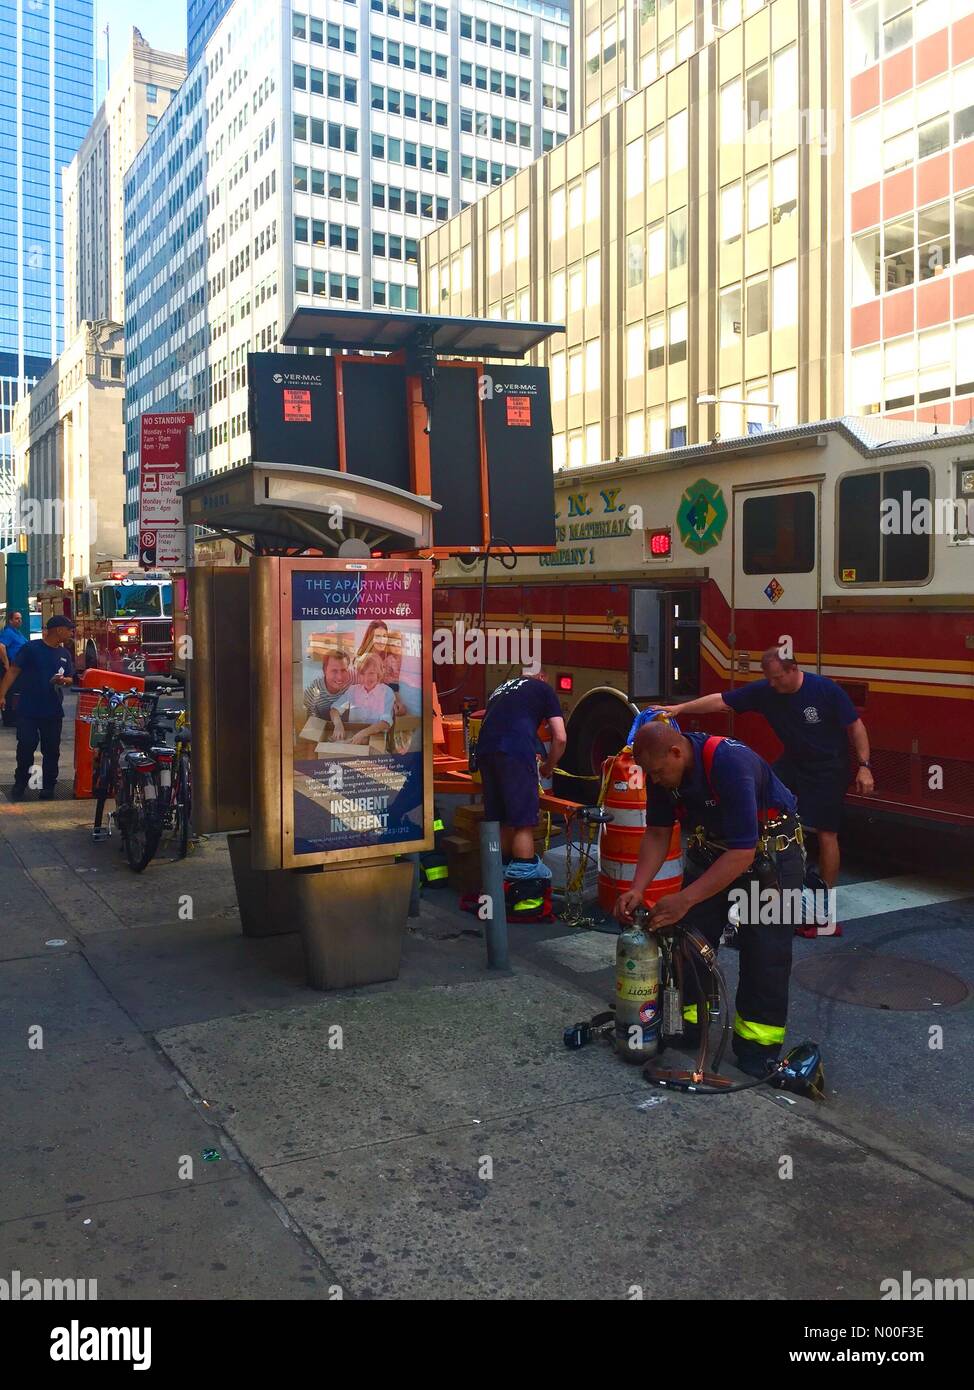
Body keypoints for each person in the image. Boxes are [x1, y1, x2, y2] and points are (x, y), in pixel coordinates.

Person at [613, 720, 805, 1078]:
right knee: (688, 940)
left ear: (676, 752)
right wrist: (638, 887)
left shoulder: (730, 763)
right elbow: (656, 832)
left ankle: (757, 1048)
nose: (654, 781)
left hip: (771, 857)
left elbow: (743, 854)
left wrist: (684, 898)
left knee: (766, 953)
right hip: (714, 849)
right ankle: (689, 1025)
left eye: (657, 773)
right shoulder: (662, 773)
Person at [662, 650, 873, 892]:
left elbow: (856, 726)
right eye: (769, 678)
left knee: (826, 831)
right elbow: (722, 700)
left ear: (793, 669)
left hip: (829, 766)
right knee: (757, 801)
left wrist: (864, 767)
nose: (772, 683)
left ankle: (825, 896)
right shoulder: (767, 691)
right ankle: (760, 873)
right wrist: (679, 708)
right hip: (793, 761)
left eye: (777, 677)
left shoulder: (825, 690)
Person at [474, 673, 566, 867]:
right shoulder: (543, 688)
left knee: (502, 819)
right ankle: (524, 889)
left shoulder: (502, 688)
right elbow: (560, 737)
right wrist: (548, 767)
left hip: (485, 751)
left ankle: (500, 883)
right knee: (523, 824)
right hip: (514, 751)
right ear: (542, 677)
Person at [0, 615, 76, 801]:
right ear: (58, 630)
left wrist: (64, 680)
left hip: (52, 710)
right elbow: (13, 671)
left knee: (52, 749)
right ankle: (20, 783)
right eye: (69, 629)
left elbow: (70, 678)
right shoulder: (31, 649)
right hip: (28, 709)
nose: (71, 633)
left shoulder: (64, 654)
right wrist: (1, 695)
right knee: (26, 746)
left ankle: (49, 785)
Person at [330, 652, 395, 745]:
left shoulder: (387, 692)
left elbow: (385, 723)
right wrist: (338, 725)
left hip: (376, 739)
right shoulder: (353, 690)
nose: (366, 678)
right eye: (362, 674)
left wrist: (363, 733)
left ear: (379, 673)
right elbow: (334, 709)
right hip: (353, 738)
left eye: (371, 673)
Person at [303, 649, 351, 719]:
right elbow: (308, 722)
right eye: (334, 671)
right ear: (324, 670)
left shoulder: (352, 688)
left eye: (343, 670)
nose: (340, 677)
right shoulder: (314, 691)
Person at [0, 610, 28, 728]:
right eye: (17, 618)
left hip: (19, 667)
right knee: (10, 693)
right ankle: (9, 719)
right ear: (10, 620)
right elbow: (1, 647)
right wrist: (6, 664)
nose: (19, 621)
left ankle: (14, 716)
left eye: (20, 618)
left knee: (16, 692)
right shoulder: (8, 632)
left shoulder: (18, 633)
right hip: (11, 666)